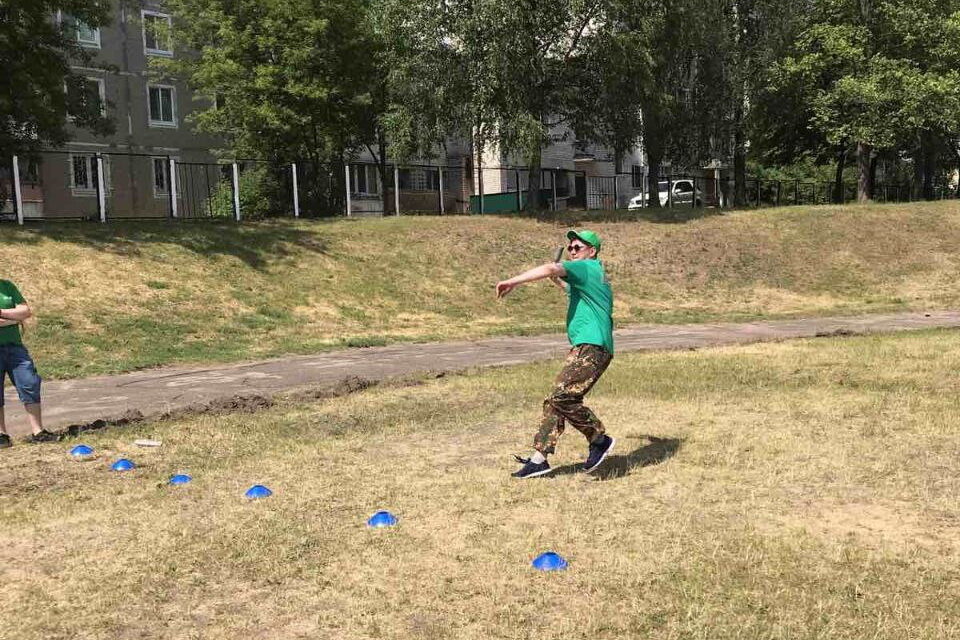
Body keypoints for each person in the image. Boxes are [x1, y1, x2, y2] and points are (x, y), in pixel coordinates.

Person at [496, 229, 615, 478]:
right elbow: (564, 284)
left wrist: (513, 281)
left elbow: (551, 268)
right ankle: (539, 459)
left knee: (563, 396)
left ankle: (599, 439)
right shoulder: (587, 278)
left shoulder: (587, 268)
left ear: (592, 251)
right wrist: (557, 278)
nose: (572, 251)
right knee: (555, 400)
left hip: (593, 346)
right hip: (585, 346)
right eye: (569, 248)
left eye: (577, 247)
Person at [0, 279, 55, 448]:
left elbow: (25, 311)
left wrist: (2, 313)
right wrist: (15, 319)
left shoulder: (7, 286)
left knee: (29, 381)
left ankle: (38, 431)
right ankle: (1, 435)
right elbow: (19, 315)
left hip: (15, 347)